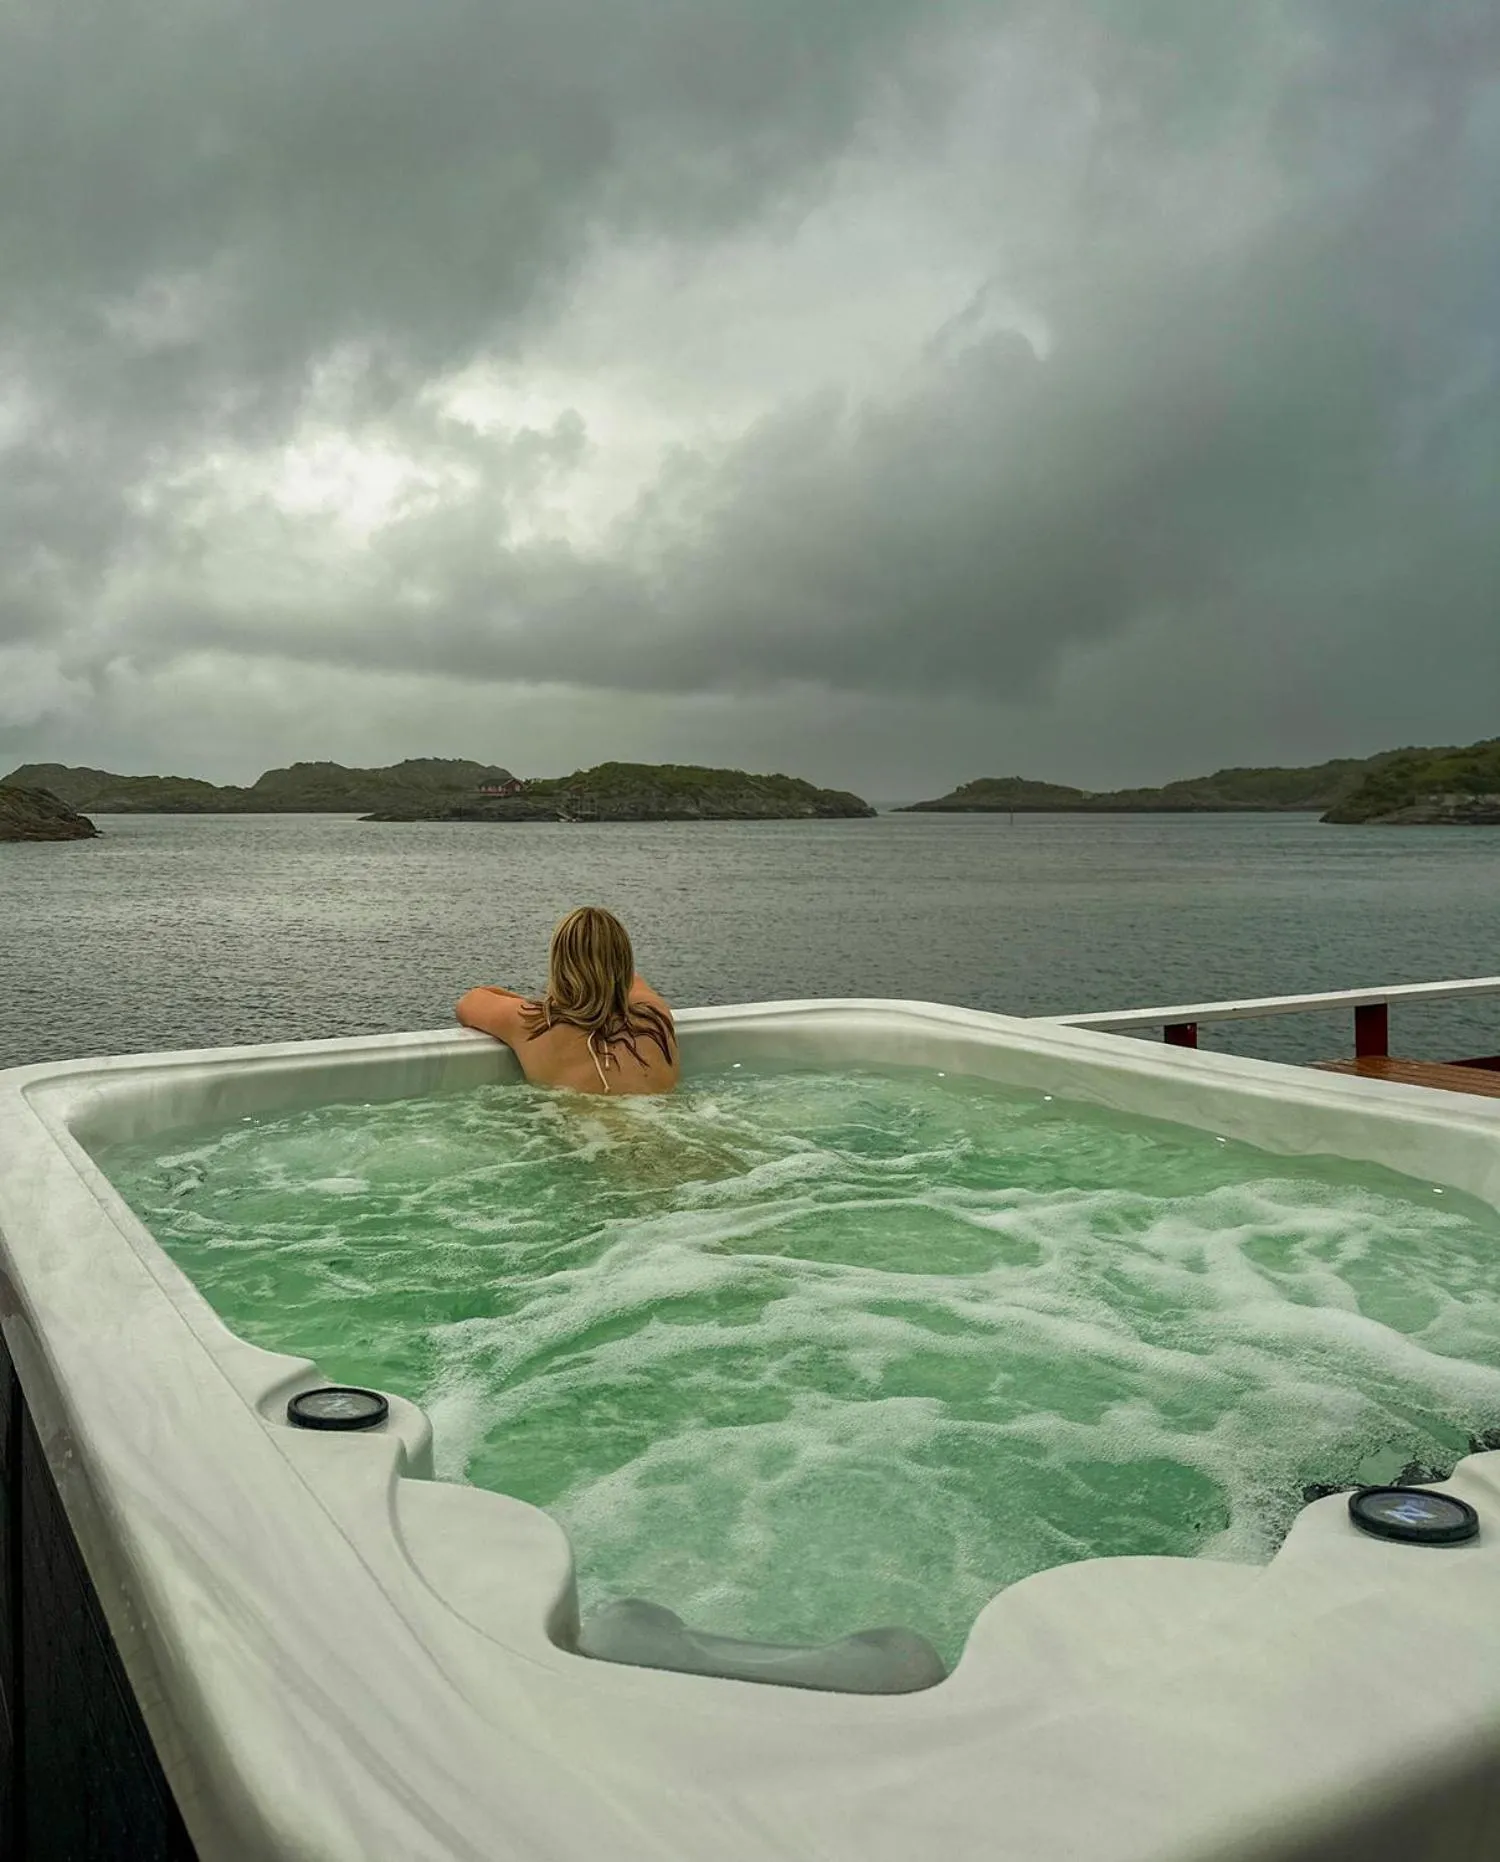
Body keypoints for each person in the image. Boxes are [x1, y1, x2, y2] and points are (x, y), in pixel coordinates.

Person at [455, 906, 679, 1095]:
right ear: (624, 961)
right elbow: (631, 980)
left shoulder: (534, 1025)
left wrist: (548, 1005)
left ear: (560, 965)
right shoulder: (656, 1017)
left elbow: (470, 1001)